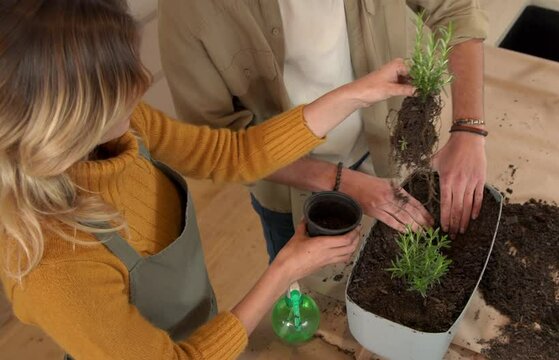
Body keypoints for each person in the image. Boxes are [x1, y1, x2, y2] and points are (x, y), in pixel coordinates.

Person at [0, 1, 415, 358]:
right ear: (66, 114)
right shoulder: (53, 264)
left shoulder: (124, 129)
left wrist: (356, 93)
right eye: (122, 80)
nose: (144, 83)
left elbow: (232, 154)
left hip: (201, 329)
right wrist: (285, 269)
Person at [159, 0, 489, 261]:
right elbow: (216, 145)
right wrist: (344, 182)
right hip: (291, 187)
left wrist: (469, 129)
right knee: (312, 301)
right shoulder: (191, 11)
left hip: (391, 152)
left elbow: (456, 9)